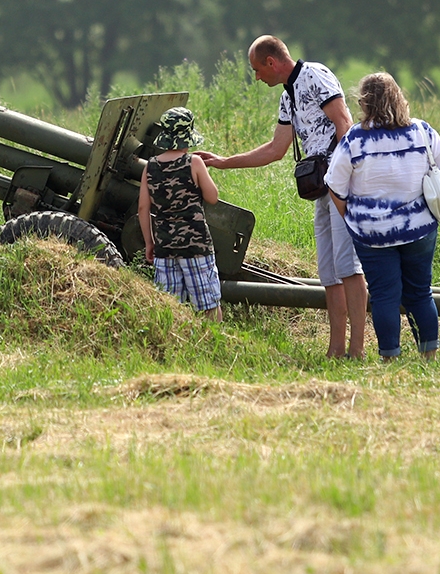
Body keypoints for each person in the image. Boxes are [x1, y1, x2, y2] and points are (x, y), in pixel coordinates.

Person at [196, 36, 368, 358]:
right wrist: (223, 162)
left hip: (341, 182)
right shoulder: (288, 97)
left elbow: (344, 123)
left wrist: (345, 179)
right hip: (322, 187)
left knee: (349, 266)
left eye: (257, 71)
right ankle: (335, 349)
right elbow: (276, 149)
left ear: (271, 63)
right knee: (329, 270)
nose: (258, 78)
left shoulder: (316, 76)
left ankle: (357, 349)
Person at [324, 73, 440, 361]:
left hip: (372, 233)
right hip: (419, 227)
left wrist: (352, 218)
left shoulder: (355, 139)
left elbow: (334, 185)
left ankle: (389, 357)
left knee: (384, 295)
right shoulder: (421, 131)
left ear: (364, 103)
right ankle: (428, 355)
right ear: (399, 97)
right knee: (420, 293)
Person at [137, 107, 223, 320]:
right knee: (208, 304)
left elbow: (142, 209)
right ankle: (214, 346)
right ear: (187, 136)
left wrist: (150, 243)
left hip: (165, 248)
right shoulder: (194, 162)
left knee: (170, 308)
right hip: (196, 247)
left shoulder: (150, 167)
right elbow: (213, 197)